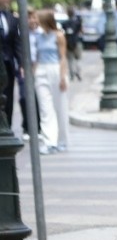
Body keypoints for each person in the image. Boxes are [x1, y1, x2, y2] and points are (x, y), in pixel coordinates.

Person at [31, 9, 70, 154]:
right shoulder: (38, 36)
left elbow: (63, 57)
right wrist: (33, 74)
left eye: (37, 18)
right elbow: (37, 57)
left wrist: (62, 77)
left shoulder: (59, 36)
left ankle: (62, 140)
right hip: (41, 70)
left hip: (55, 69)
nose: (34, 21)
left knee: (60, 107)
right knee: (45, 108)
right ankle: (49, 142)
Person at [0, 0, 22, 129]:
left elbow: (17, 43)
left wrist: (21, 64)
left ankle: (7, 130)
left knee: (7, 100)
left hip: (7, 66)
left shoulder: (11, 18)